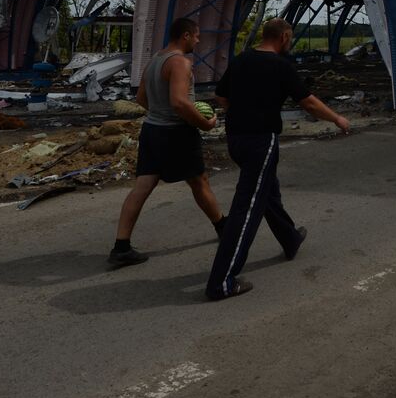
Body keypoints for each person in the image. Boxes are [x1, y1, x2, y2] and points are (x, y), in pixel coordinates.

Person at [205, 18, 350, 300]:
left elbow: (221, 97)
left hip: (236, 140)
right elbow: (307, 102)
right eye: (290, 37)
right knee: (246, 210)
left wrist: (244, 109)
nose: (290, 42)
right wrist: (336, 118)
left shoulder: (241, 60)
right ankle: (221, 282)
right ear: (284, 36)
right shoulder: (281, 67)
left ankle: (290, 238)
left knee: (268, 191)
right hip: (261, 140)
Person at [108, 17, 224, 267]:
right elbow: (179, 102)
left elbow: (140, 98)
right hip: (176, 133)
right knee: (199, 181)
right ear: (185, 35)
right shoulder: (180, 62)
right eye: (196, 36)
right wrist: (205, 124)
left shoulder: (154, 61)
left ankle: (121, 246)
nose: (198, 40)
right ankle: (224, 228)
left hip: (152, 130)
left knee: (144, 185)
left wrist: (158, 113)